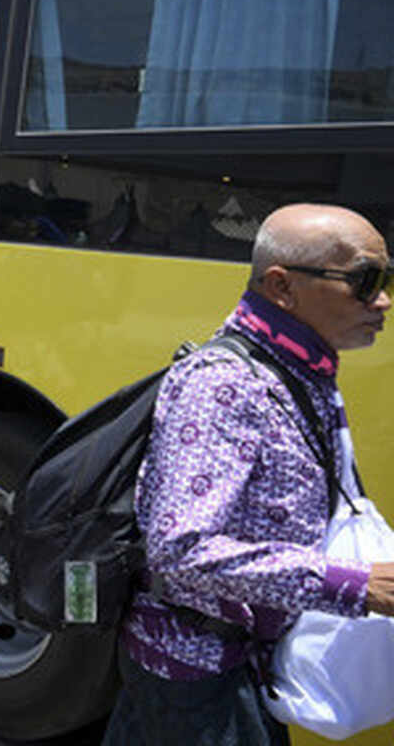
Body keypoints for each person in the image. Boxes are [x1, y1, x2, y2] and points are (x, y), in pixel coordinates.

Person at [102, 203, 394, 746]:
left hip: (242, 662)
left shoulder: (302, 369)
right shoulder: (224, 385)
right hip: (193, 680)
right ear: (283, 287)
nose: (383, 300)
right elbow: (181, 549)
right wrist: (354, 586)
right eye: (365, 280)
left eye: (387, 279)